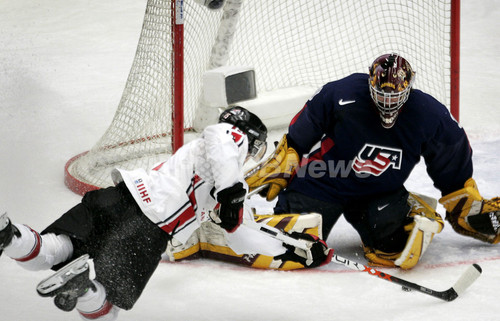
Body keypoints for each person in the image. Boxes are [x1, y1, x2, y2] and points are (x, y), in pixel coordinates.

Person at [0, 106, 331, 321]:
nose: (249, 155)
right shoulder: (227, 142)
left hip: (117, 199)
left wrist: (291, 248)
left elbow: (242, 236)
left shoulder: (216, 175)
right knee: (106, 309)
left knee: (53, 249)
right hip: (147, 228)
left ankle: (9, 236)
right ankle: (85, 289)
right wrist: (231, 193)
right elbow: (222, 142)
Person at [246, 53, 500, 270]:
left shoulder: (430, 115)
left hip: (379, 192)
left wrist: (461, 198)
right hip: (322, 181)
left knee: (395, 249)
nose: (387, 102)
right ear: (370, 83)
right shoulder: (340, 94)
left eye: (395, 96)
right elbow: (298, 138)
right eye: (381, 94)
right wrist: (287, 158)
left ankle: (412, 208)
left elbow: (452, 156)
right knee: (290, 246)